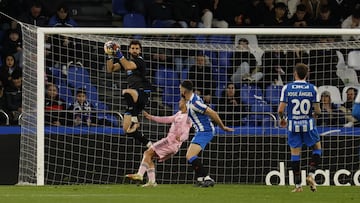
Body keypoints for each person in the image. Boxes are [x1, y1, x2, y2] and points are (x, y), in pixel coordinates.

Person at [125, 98, 192, 187]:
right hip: (172, 144)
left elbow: (186, 133)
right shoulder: (179, 114)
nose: (179, 102)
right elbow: (166, 119)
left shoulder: (188, 117)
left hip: (170, 142)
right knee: (149, 157)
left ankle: (140, 174)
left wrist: (181, 138)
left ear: (186, 103)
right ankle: (152, 182)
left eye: (181, 101)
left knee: (147, 152)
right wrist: (151, 117)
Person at [179, 80, 233, 187]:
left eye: (180, 88)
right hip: (201, 131)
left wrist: (223, 127)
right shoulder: (190, 100)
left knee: (190, 155)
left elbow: (212, 112)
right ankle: (200, 179)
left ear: (184, 90)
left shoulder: (195, 103)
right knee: (192, 155)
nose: (179, 90)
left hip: (205, 131)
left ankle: (208, 178)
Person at [278, 63, 321, 192]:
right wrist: (314, 115)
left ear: (295, 74)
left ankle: (298, 186)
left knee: (295, 154)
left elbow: (280, 110)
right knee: (317, 149)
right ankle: (311, 174)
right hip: (308, 124)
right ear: (306, 74)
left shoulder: (287, 88)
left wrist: (282, 119)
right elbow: (318, 111)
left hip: (293, 125)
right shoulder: (313, 88)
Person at [105, 40, 152, 148]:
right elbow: (110, 69)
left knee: (126, 91)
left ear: (140, 51)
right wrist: (109, 55)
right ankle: (148, 144)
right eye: (133, 48)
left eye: (137, 48)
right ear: (129, 49)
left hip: (143, 93)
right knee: (126, 129)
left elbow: (127, 66)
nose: (135, 50)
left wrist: (118, 52)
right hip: (133, 99)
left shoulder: (140, 61)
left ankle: (135, 117)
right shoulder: (126, 61)